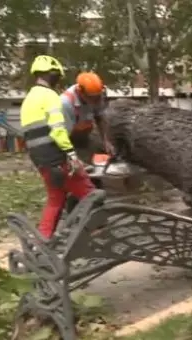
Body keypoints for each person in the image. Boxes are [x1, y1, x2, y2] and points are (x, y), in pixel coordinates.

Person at [19, 55, 96, 239]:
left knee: (56, 199)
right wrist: (72, 155)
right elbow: (57, 130)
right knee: (92, 196)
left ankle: (43, 241)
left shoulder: (28, 100)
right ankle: (91, 235)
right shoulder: (50, 96)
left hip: (40, 160)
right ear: (53, 75)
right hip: (57, 158)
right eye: (57, 76)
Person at [60, 72, 115, 157]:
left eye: (98, 97)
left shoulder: (97, 97)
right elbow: (63, 136)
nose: (96, 101)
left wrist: (106, 141)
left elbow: (99, 118)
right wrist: (72, 156)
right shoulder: (66, 103)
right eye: (92, 98)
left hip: (85, 136)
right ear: (80, 92)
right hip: (68, 139)